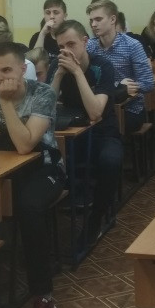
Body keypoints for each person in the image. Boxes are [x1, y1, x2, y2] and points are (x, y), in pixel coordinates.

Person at [0, 41, 64, 308]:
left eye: (6, 70)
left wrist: (6, 103)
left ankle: (43, 296)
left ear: (23, 70)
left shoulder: (43, 93)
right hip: (8, 165)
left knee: (29, 207)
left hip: (45, 166)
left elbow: (26, 145)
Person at [51, 20, 123, 235]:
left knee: (110, 161)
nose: (66, 51)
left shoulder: (102, 66)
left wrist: (77, 73)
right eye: (61, 47)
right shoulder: (58, 66)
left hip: (103, 132)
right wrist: (58, 75)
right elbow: (44, 110)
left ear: (84, 41)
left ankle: (97, 217)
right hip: (71, 133)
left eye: (71, 44)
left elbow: (95, 113)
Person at [86, 0, 155, 134]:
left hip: (129, 108)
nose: (93, 24)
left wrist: (132, 88)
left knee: (105, 128)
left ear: (112, 19)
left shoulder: (132, 45)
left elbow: (148, 83)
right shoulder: (90, 46)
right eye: (91, 21)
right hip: (100, 106)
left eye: (98, 19)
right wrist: (119, 87)